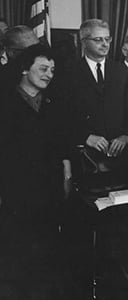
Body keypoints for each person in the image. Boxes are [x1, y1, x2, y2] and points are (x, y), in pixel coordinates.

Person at [0, 45, 74, 299]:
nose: (49, 74)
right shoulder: (6, 102)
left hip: (50, 188)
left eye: (52, 70)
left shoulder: (54, 102)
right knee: (20, 257)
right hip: (16, 192)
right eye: (43, 68)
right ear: (24, 68)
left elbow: (62, 144)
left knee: (50, 253)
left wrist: (66, 174)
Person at [65, 19, 128, 179]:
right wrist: (85, 137)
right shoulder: (69, 73)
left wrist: (126, 136)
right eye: (98, 39)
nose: (105, 44)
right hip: (86, 159)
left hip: (122, 156)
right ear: (84, 42)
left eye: (107, 39)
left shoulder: (121, 71)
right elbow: (62, 116)